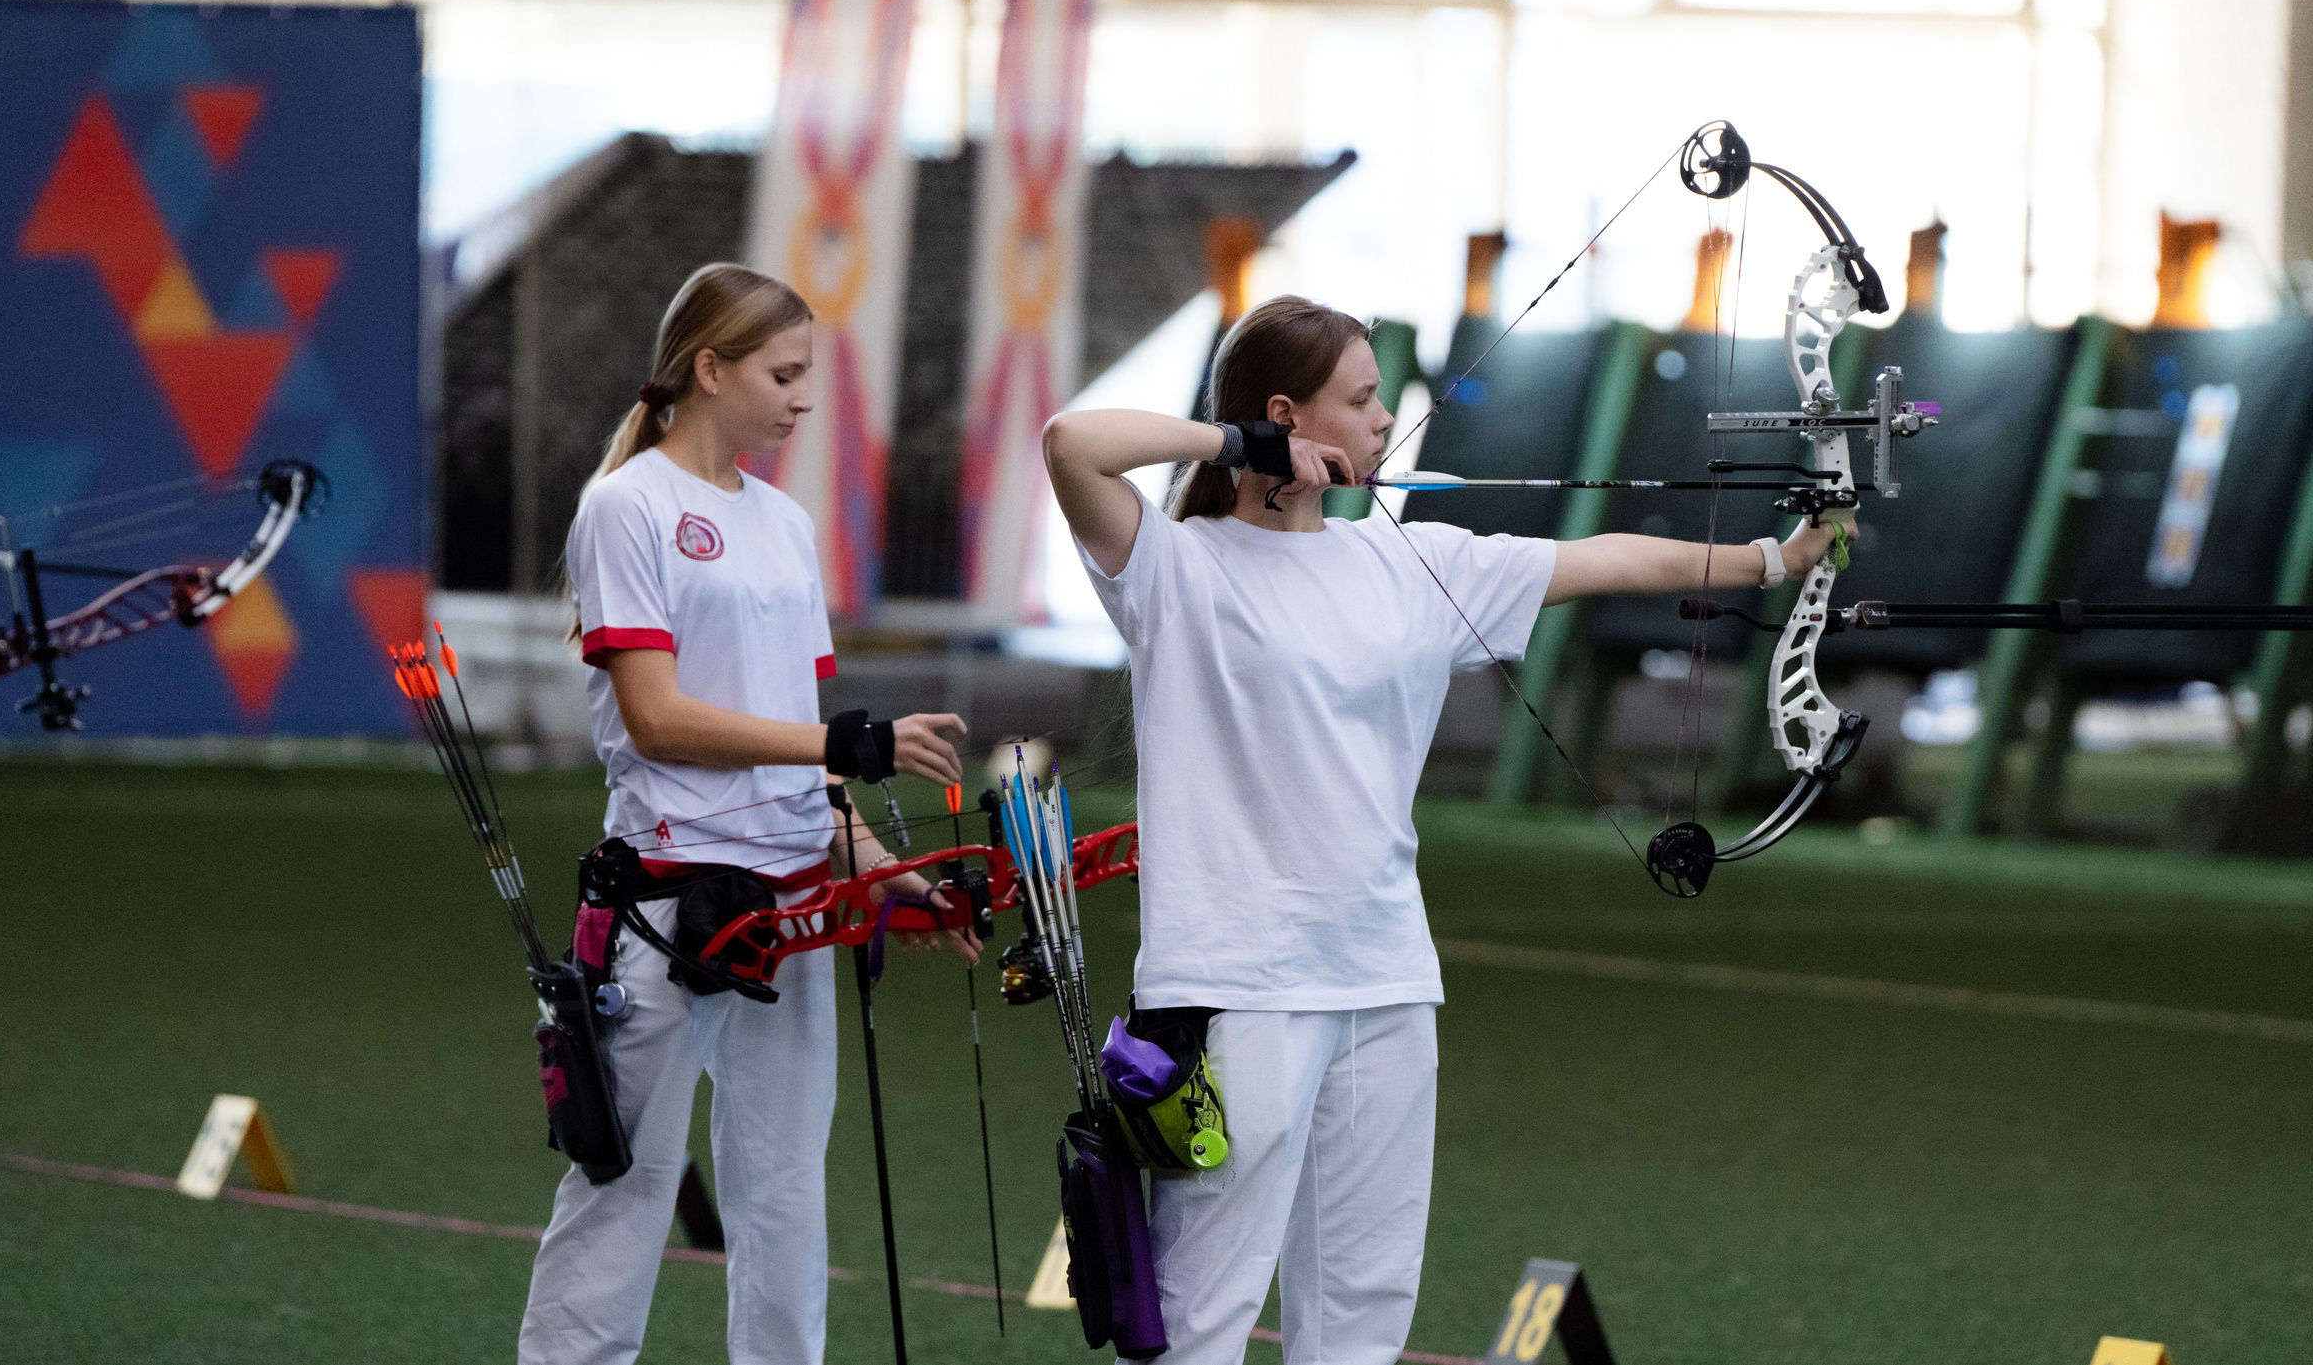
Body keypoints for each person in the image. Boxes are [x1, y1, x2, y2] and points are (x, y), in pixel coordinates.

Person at [1040, 295, 1844, 1365]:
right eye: (1363, 400)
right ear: (1286, 414)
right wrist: (1240, 445)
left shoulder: (1409, 563)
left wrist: (1774, 560)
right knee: (1202, 1308)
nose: (1385, 421)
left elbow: (1601, 560)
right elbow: (1073, 444)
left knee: (1366, 1298)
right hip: (1241, 985)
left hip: (1383, 975)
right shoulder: (1174, 569)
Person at [520, 262, 970, 1365]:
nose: (803, 395)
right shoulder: (624, 509)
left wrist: (897, 878)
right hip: (673, 903)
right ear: (709, 370)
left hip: (797, 904)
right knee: (621, 1185)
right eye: (784, 372)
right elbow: (661, 718)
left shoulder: (782, 521)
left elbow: (800, 759)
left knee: (785, 1198)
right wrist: (841, 742)